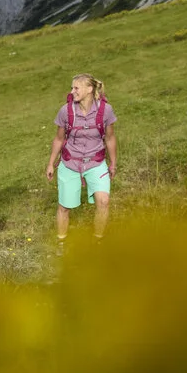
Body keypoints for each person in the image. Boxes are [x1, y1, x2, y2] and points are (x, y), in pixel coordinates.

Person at [45, 73, 117, 253]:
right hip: (70, 163)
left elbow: (110, 138)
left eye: (76, 88)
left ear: (89, 89)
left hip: (96, 162)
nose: (72, 91)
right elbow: (59, 138)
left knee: (104, 201)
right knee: (64, 207)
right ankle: (61, 243)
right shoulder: (66, 111)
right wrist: (51, 163)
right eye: (72, 88)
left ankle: (98, 240)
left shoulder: (105, 111)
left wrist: (113, 163)